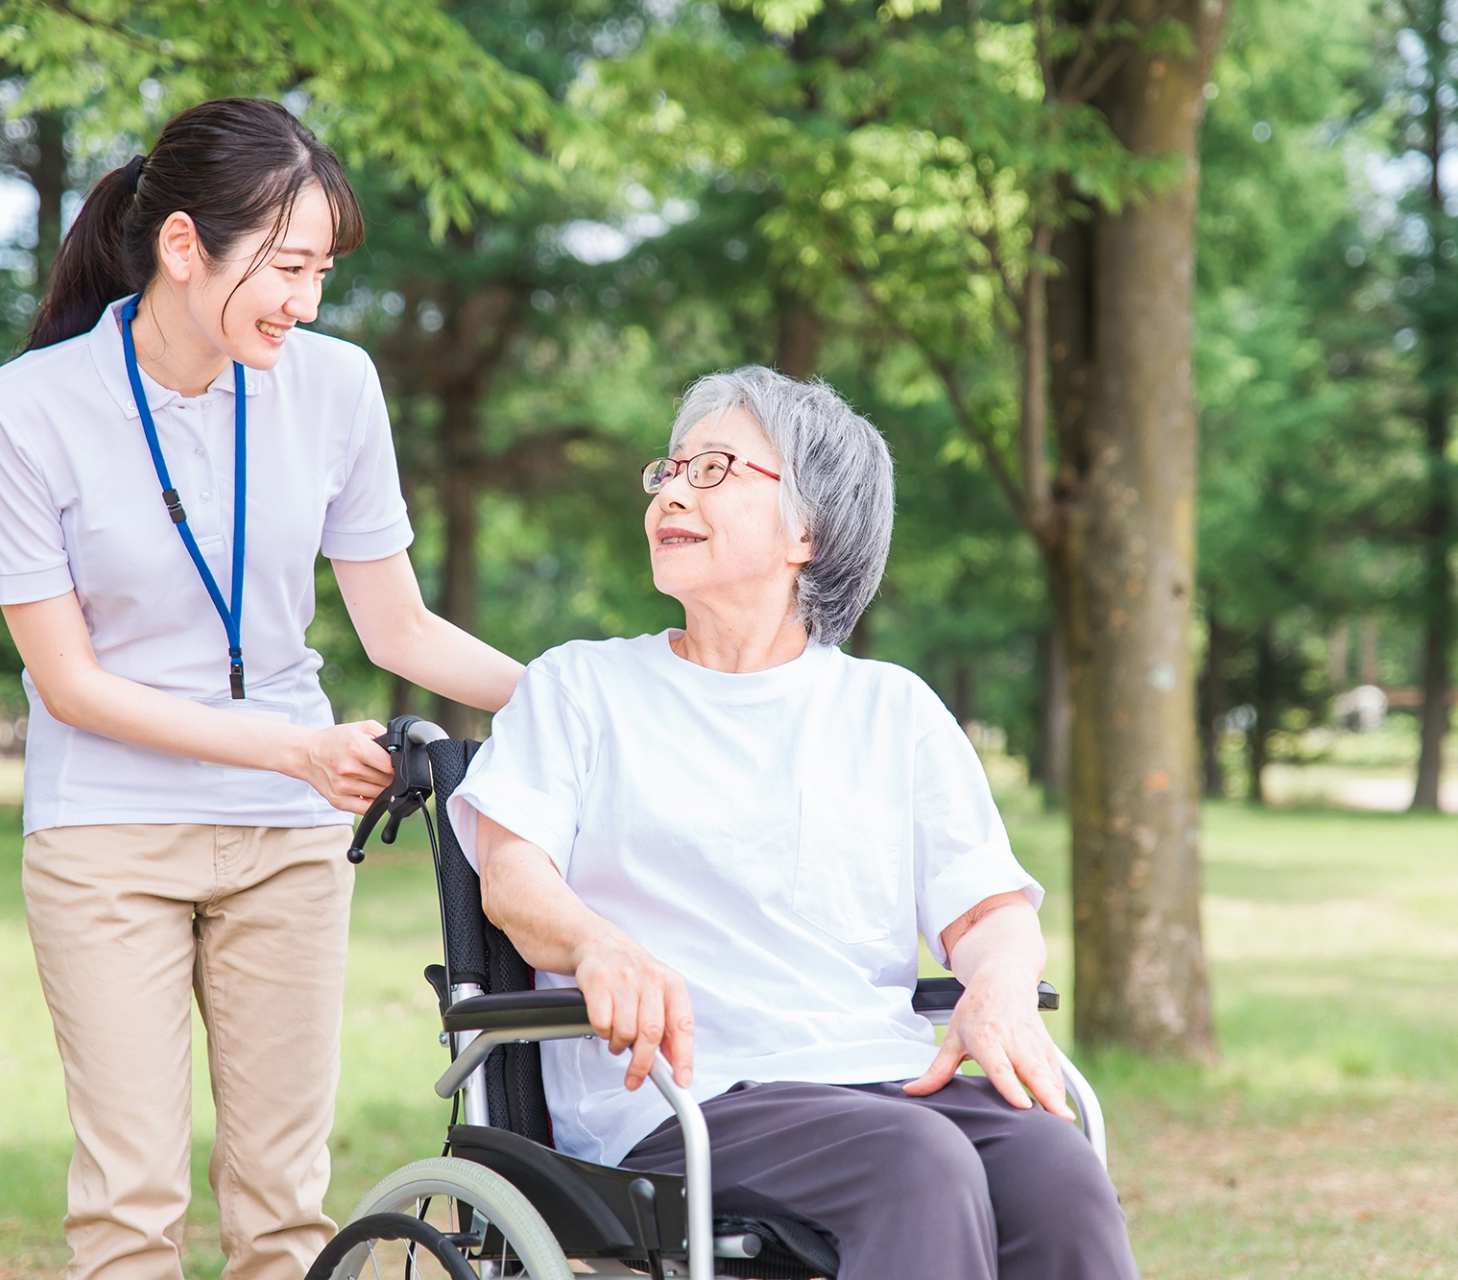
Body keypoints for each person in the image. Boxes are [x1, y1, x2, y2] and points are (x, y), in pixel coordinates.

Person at [0, 98, 522, 1280]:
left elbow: (399, 623)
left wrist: (583, 698)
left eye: (321, 270)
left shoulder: (335, 387)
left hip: (288, 841)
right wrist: (294, 750)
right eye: (287, 268)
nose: (307, 301)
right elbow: (67, 684)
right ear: (182, 248)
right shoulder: (19, 412)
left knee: (283, 1210)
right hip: (108, 832)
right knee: (129, 1207)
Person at [447, 367, 1137, 1280]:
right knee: (915, 1165)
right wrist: (597, 944)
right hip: (682, 1103)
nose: (674, 491)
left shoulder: (892, 709)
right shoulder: (581, 686)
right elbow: (514, 878)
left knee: (1055, 1166)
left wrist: (1001, 987)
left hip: (878, 1083)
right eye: (672, 469)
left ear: (806, 531)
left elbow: (987, 912)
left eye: (717, 468)